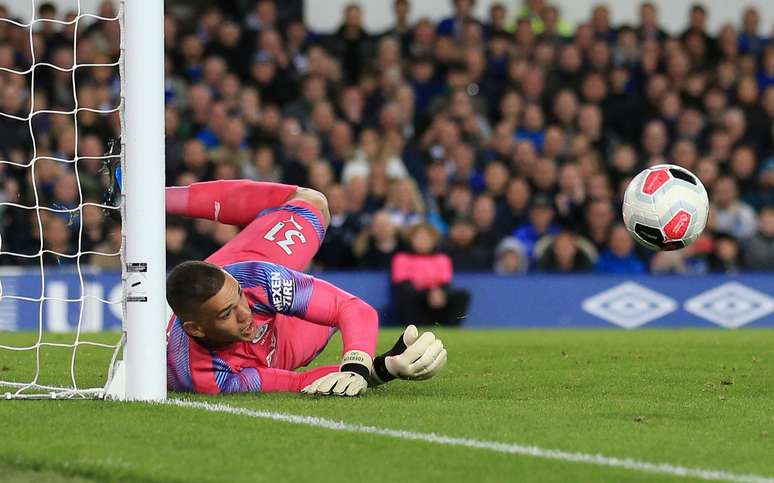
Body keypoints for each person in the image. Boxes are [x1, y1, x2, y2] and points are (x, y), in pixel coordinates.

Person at [164, 179, 447, 396]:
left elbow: (350, 307)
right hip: (281, 346)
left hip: (246, 266)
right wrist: (385, 368)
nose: (244, 313)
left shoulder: (255, 282)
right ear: (196, 329)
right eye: (227, 313)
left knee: (313, 202)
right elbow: (297, 381)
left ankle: (150, 196)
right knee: (331, 322)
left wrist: (357, 362)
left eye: (238, 299)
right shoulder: (207, 376)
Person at [391, 223, 470, 326]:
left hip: (439, 299)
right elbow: (404, 285)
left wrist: (439, 293)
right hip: (417, 299)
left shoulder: (442, 259)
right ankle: (413, 329)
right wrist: (429, 293)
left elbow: (446, 284)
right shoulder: (402, 258)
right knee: (408, 295)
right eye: (419, 237)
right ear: (411, 240)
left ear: (433, 240)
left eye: (427, 238)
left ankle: (452, 328)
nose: (423, 241)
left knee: (463, 295)